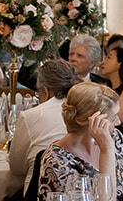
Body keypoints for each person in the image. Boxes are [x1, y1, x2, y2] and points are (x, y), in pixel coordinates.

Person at [35, 82, 123, 201]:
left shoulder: (115, 137)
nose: (118, 122)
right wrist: (106, 151)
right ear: (95, 122)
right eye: (113, 118)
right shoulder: (57, 161)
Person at [8, 56, 77, 192]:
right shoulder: (85, 110)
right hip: (81, 192)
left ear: (45, 91)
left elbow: (16, 168)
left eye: (38, 92)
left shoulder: (31, 116)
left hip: (39, 195)